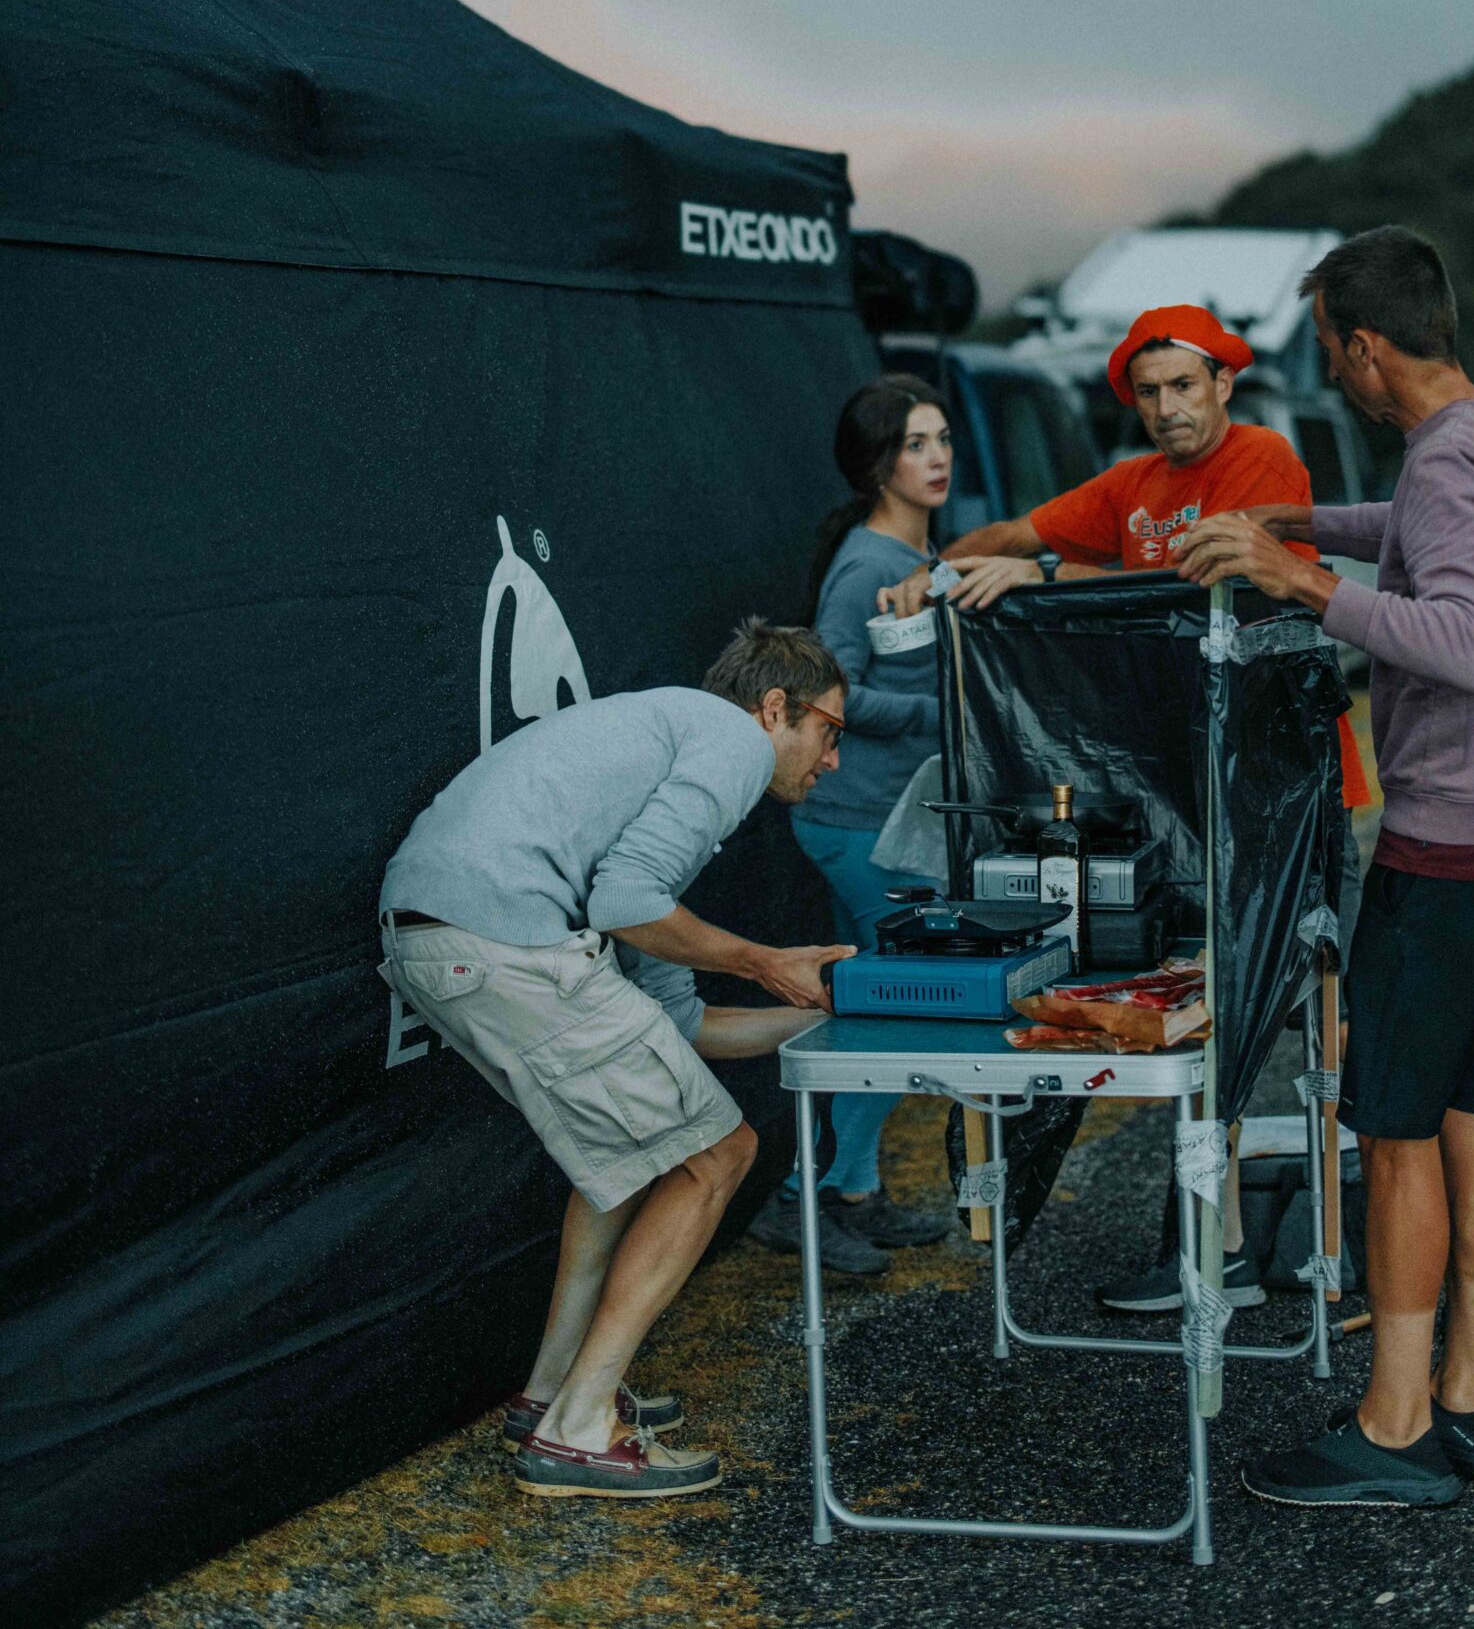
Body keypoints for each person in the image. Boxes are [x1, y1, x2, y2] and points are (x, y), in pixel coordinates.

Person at [1173, 228, 1474, 1511]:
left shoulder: (1445, 456)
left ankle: (1393, 1429)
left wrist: (1297, 579)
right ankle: (1469, 1396)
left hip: (1449, 853)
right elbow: (1427, 535)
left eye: (1329, 350)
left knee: (1393, 1138)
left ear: (1361, 345)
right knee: (1469, 1116)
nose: (1332, 373)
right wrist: (1308, 521)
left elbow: (1460, 637)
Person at [880, 304, 1372, 1311]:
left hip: (1285, 795)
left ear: (1223, 384)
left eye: (1183, 385)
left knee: (1322, 1017)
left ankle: (1346, 1241)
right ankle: (1219, 1249)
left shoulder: (1261, 457)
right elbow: (1014, 533)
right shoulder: (1131, 484)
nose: (1165, 407)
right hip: (1185, 794)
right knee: (1204, 1002)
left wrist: (1044, 574)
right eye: (1147, 392)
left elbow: (1204, 582)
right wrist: (934, 575)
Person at [377, 619, 855, 1501]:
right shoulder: (729, 741)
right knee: (720, 1155)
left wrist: (829, 1013)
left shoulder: (660, 752)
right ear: (774, 708)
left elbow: (681, 1024)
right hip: (503, 934)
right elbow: (629, 900)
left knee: (633, 1159)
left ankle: (554, 1393)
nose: (833, 759)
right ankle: (578, 1430)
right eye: (830, 731)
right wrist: (767, 961)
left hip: (441, 937)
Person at [747, 375, 955, 1274]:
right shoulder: (868, 566)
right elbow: (826, 692)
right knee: (904, 999)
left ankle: (853, 1190)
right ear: (877, 465)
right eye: (914, 444)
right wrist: (943, 714)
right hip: (856, 822)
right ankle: (799, 1196)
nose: (937, 457)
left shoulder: (921, 550)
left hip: (891, 818)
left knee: (867, 995)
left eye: (942, 438)